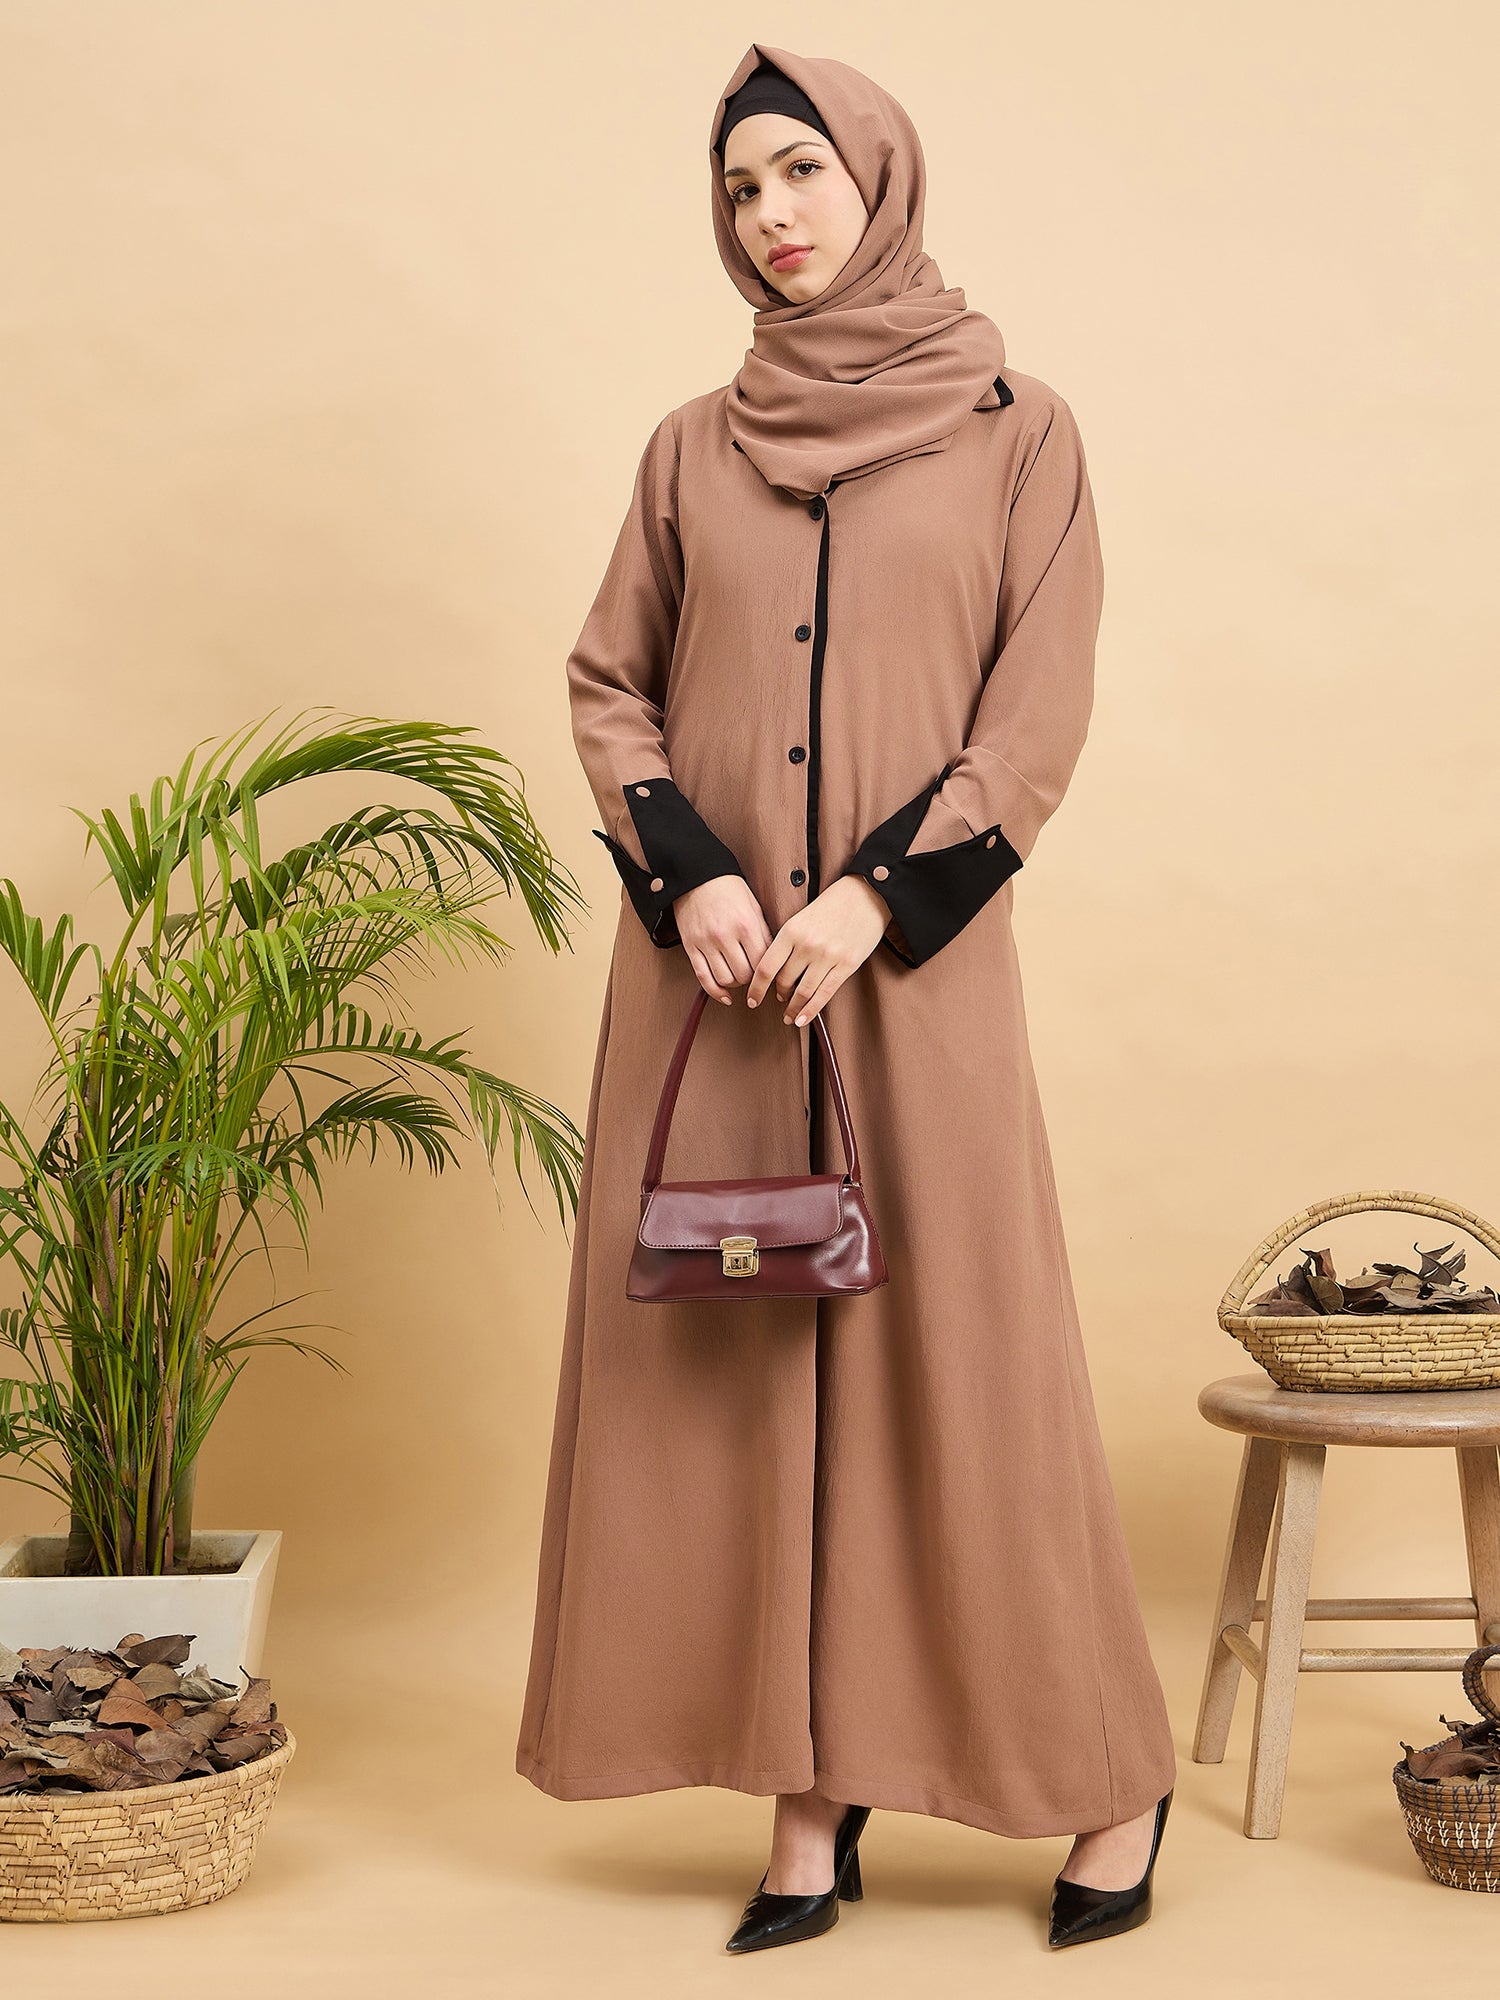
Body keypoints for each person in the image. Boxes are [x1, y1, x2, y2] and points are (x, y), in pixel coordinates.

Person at [515, 42, 1177, 1954]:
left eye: (800, 170)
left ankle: (1105, 1777)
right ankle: (809, 1794)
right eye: (740, 189)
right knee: (741, 1380)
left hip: (908, 986)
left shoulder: (1018, 431)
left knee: (963, 1375)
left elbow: (1034, 711)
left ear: (878, 176)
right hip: (719, 987)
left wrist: (880, 896)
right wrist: (697, 875)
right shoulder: (688, 449)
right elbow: (610, 685)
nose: (771, 215)